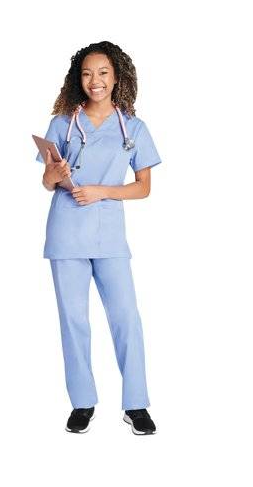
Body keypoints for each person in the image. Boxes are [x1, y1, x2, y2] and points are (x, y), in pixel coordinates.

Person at [35, 41, 161, 435]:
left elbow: (143, 187)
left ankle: (136, 404)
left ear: (117, 77)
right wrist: (54, 175)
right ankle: (82, 402)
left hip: (108, 236)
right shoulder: (63, 123)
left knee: (126, 318)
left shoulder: (133, 128)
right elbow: (47, 182)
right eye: (87, 73)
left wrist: (102, 191)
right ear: (79, 78)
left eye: (103, 72)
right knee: (73, 321)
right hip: (66, 233)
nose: (95, 81)